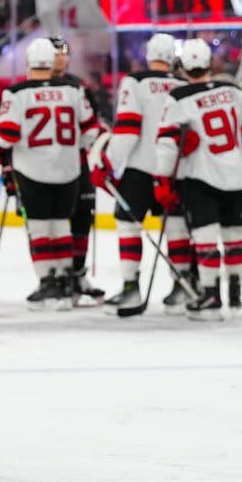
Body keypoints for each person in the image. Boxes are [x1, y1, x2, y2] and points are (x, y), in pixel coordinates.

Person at [154, 39, 242, 321]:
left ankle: (210, 294)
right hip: (236, 176)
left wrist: (162, 180)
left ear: (183, 67)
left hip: (200, 177)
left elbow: (168, 143)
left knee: (205, 238)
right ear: (208, 64)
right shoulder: (233, 90)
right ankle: (235, 292)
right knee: (235, 236)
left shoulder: (178, 98)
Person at [0, 38, 100, 310]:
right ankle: (66, 283)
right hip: (68, 170)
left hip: (32, 170)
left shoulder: (16, 93)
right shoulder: (74, 89)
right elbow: (90, 131)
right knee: (63, 225)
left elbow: (5, 137)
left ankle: (47, 282)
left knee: (41, 228)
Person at [91, 33, 192, 315]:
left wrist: (108, 163)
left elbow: (127, 130)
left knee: (127, 224)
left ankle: (130, 288)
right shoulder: (185, 85)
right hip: (174, 170)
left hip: (141, 167)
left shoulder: (134, 82)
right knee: (176, 227)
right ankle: (181, 287)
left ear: (148, 55)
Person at [49, 36, 104, 301]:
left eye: (64, 53)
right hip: (46, 167)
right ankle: (55, 277)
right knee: (53, 222)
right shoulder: (31, 87)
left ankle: (78, 274)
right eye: (55, 53)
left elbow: (92, 124)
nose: (61, 58)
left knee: (82, 218)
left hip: (78, 163)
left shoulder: (78, 86)